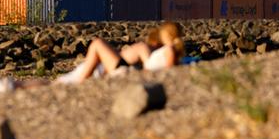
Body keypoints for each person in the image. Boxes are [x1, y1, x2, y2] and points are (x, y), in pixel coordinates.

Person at [54, 22, 185, 84]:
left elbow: (150, 67)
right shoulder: (165, 52)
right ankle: (81, 79)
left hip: (120, 67)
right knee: (58, 81)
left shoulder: (149, 48)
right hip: (120, 66)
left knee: (97, 43)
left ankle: (82, 81)